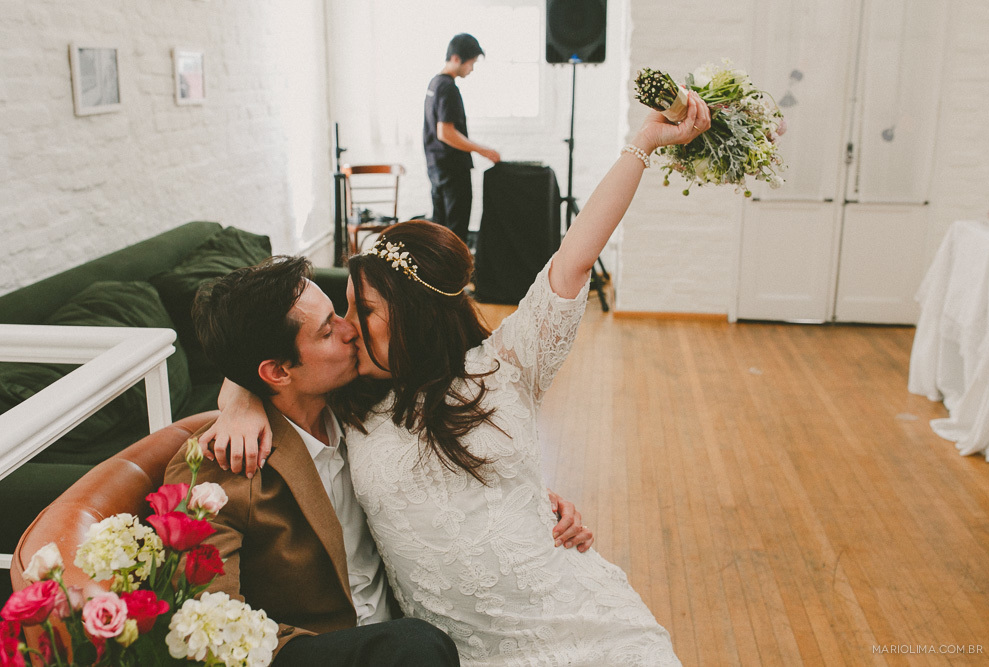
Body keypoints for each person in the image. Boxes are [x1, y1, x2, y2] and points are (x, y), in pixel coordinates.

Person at [211, 91, 710, 664]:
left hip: (574, 612)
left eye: (361, 310)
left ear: (412, 318)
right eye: (341, 312)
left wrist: (643, 142)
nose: (346, 328)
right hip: (463, 653)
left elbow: (575, 256)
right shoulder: (350, 400)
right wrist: (239, 397)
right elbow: (264, 361)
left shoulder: (505, 365)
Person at [170, 256, 593, 665]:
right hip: (331, 648)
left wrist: (529, 500)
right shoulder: (218, 466)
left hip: (425, 632)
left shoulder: (360, 404)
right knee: (415, 645)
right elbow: (209, 622)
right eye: (327, 331)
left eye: (339, 312)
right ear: (278, 372)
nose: (350, 330)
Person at [423, 33, 501, 245]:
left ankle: (440, 268)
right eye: (471, 63)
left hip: (437, 168)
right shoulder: (448, 87)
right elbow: (445, 132)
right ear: (456, 58)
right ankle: (455, 268)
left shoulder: (434, 84)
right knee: (456, 233)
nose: (472, 69)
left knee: (440, 230)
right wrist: (482, 150)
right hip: (453, 170)